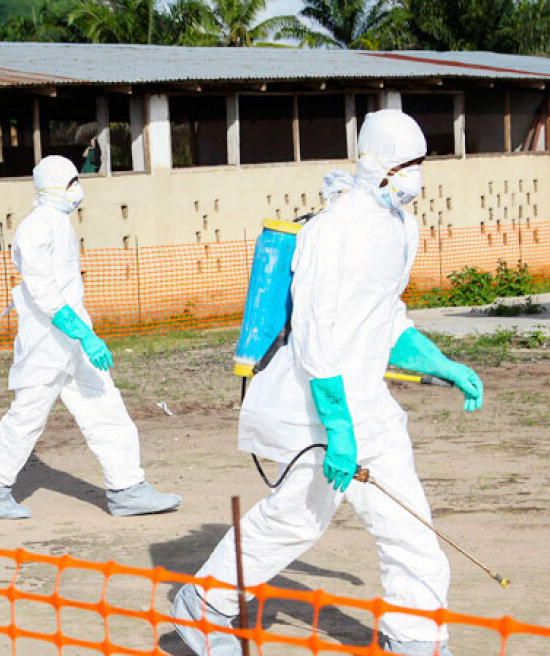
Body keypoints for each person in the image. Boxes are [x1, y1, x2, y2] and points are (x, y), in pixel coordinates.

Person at [171, 110, 483, 656]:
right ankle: (202, 607)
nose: (417, 175)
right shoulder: (331, 231)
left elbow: (387, 321)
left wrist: (442, 364)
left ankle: (415, 639)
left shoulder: (401, 227)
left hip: (370, 406)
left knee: (409, 529)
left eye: (420, 164)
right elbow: (317, 340)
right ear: (378, 166)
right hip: (313, 405)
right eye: (408, 164)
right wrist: (338, 428)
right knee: (295, 520)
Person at [0, 156, 180, 520]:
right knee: (27, 416)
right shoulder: (36, 227)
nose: (76, 189)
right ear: (52, 184)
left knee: (108, 409)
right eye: (71, 182)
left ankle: (127, 489)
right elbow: (44, 292)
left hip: (75, 341)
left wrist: (84, 335)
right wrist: (83, 333)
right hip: (46, 344)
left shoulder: (59, 223)